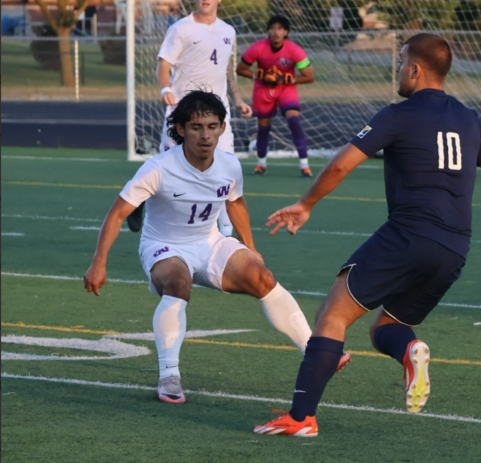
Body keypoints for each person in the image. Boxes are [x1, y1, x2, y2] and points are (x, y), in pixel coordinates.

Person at [254, 33, 481, 437]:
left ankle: (300, 418)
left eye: (401, 61)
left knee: (332, 314)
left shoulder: (396, 115)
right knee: (385, 326)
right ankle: (409, 350)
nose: (398, 69)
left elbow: (341, 165)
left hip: (408, 235)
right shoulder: (470, 119)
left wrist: (306, 204)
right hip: (454, 249)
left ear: (415, 69)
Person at [84, 91, 349, 404]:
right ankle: (169, 376)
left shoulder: (229, 165)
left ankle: (315, 350)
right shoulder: (157, 168)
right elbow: (117, 214)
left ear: (223, 128)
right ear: (180, 129)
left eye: (212, 126)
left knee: (262, 277)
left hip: (210, 243)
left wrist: (250, 247)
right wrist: (98, 262)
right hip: (164, 246)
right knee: (178, 283)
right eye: (196, 127)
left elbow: (234, 201)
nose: (205, 135)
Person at [127, 0, 253, 237]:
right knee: (167, 165)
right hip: (183, 110)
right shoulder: (180, 28)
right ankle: (137, 200)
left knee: (225, 169)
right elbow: (163, 64)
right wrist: (165, 89)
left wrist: (237, 100)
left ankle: (225, 235)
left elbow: (226, 70)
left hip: (216, 114)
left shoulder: (228, 31)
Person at [236, 15, 315, 177]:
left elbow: (309, 76)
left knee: (294, 121)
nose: (276, 32)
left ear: (286, 32)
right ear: (268, 31)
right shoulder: (258, 48)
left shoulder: (294, 50)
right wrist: (259, 75)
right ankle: (261, 164)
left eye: (280, 28)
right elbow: (240, 69)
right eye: (273, 28)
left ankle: (304, 165)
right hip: (263, 90)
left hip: (286, 89)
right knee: (263, 128)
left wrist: (288, 78)